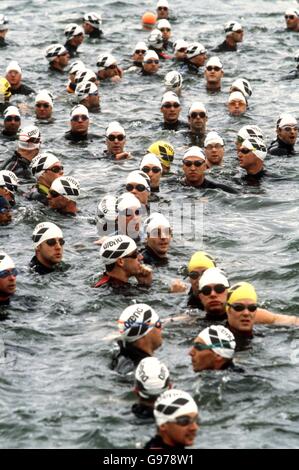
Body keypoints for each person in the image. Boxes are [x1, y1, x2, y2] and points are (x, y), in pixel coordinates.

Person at [197, 268, 299, 326]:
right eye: (206, 291)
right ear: (200, 296)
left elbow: (293, 321)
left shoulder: (255, 314)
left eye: (219, 289)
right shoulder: (193, 321)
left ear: (228, 291)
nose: (213, 294)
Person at [112, 303, 162, 375]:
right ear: (145, 334)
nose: (161, 328)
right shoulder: (148, 371)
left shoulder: (119, 353)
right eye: (158, 324)